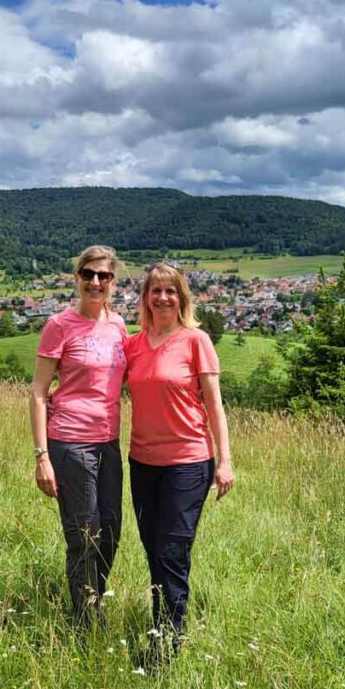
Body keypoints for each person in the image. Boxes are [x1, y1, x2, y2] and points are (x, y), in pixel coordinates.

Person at [124, 262, 234, 656]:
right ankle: (162, 618)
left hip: (188, 461)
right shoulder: (133, 345)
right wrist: (57, 397)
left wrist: (225, 460)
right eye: (156, 290)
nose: (163, 297)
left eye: (171, 291)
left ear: (182, 297)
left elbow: (215, 405)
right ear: (146, 298)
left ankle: (169, 639)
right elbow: (99, 382)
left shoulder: (195, 341)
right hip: (142, 461)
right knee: (152, 545)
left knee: (173, 547)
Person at [30, 245, 127, 627]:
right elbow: (39, 391)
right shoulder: (59, 325)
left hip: (109, 442)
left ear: (113, 282)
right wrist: (41, 456)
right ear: (77, 278)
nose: (95, 282)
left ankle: (93, 600)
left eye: (103, 276)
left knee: (112, 532)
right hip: (70, 442)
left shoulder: (118, 326)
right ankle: (85, 620)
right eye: (88, 274)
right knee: (85, 534)